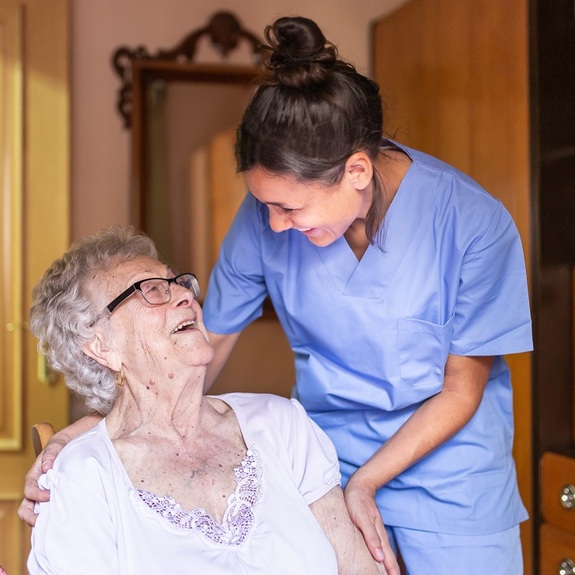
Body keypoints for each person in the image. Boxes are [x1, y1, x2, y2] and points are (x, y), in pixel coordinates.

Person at [20, 15, 532, 574]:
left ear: (356, 171)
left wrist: (367, 482)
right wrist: (79, 438)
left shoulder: (473, 223)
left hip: (452, 481)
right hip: (324, 463)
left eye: (289, 207)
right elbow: (189, 352)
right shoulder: (264, 221)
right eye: (264, 204)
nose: (274, 224)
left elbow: (462, 389)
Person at [25, 226, 397, 574]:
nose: (186, 294)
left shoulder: (281, 423)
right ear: (101, 346)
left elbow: (357, 566)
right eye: (152, 290)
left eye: (179, 283)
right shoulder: (83, 476)